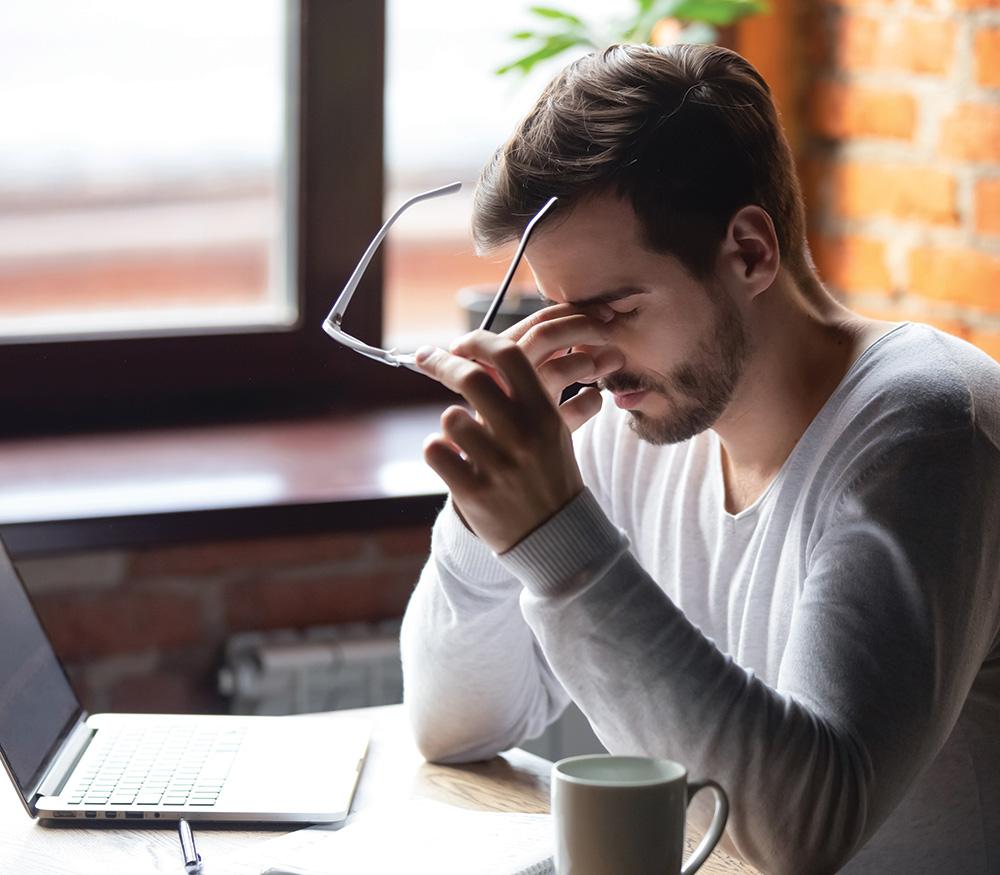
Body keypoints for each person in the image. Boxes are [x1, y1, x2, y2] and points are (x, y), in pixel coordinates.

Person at [399, 43, 1000, 874]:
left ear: (750, 251)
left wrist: (558, 540)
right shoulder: (632, 423)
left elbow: (805, 833)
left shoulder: (927, 429)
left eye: (613, 308)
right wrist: (485, 508)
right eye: (560, 312)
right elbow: (452, 723)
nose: (589, 355)